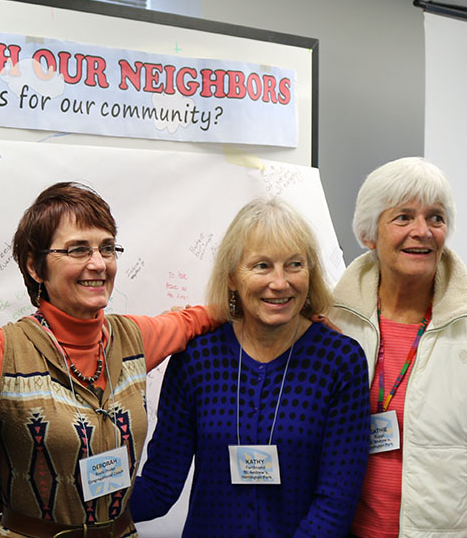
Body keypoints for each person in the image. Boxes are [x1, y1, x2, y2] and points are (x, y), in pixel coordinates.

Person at [0, 181, 216, 538]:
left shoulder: (133, 338)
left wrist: (302, 308)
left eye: (107, 248)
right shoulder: (1, 351)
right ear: (36, 268)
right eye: (78, 250)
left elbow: (198, 319)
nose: (98, 263)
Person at [130, 197, 370, 536]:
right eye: (261, 266)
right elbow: (159, 488)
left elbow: (335, 502)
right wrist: (65, 503)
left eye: (294, 265)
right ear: (232, 278)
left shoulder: (339, 361)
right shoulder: (196, 358)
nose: (280, 282)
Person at [331, 157, 467, 537]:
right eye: (403, 217)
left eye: (436, 218)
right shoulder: (334, 316)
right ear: (368, 233)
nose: (422, 231)